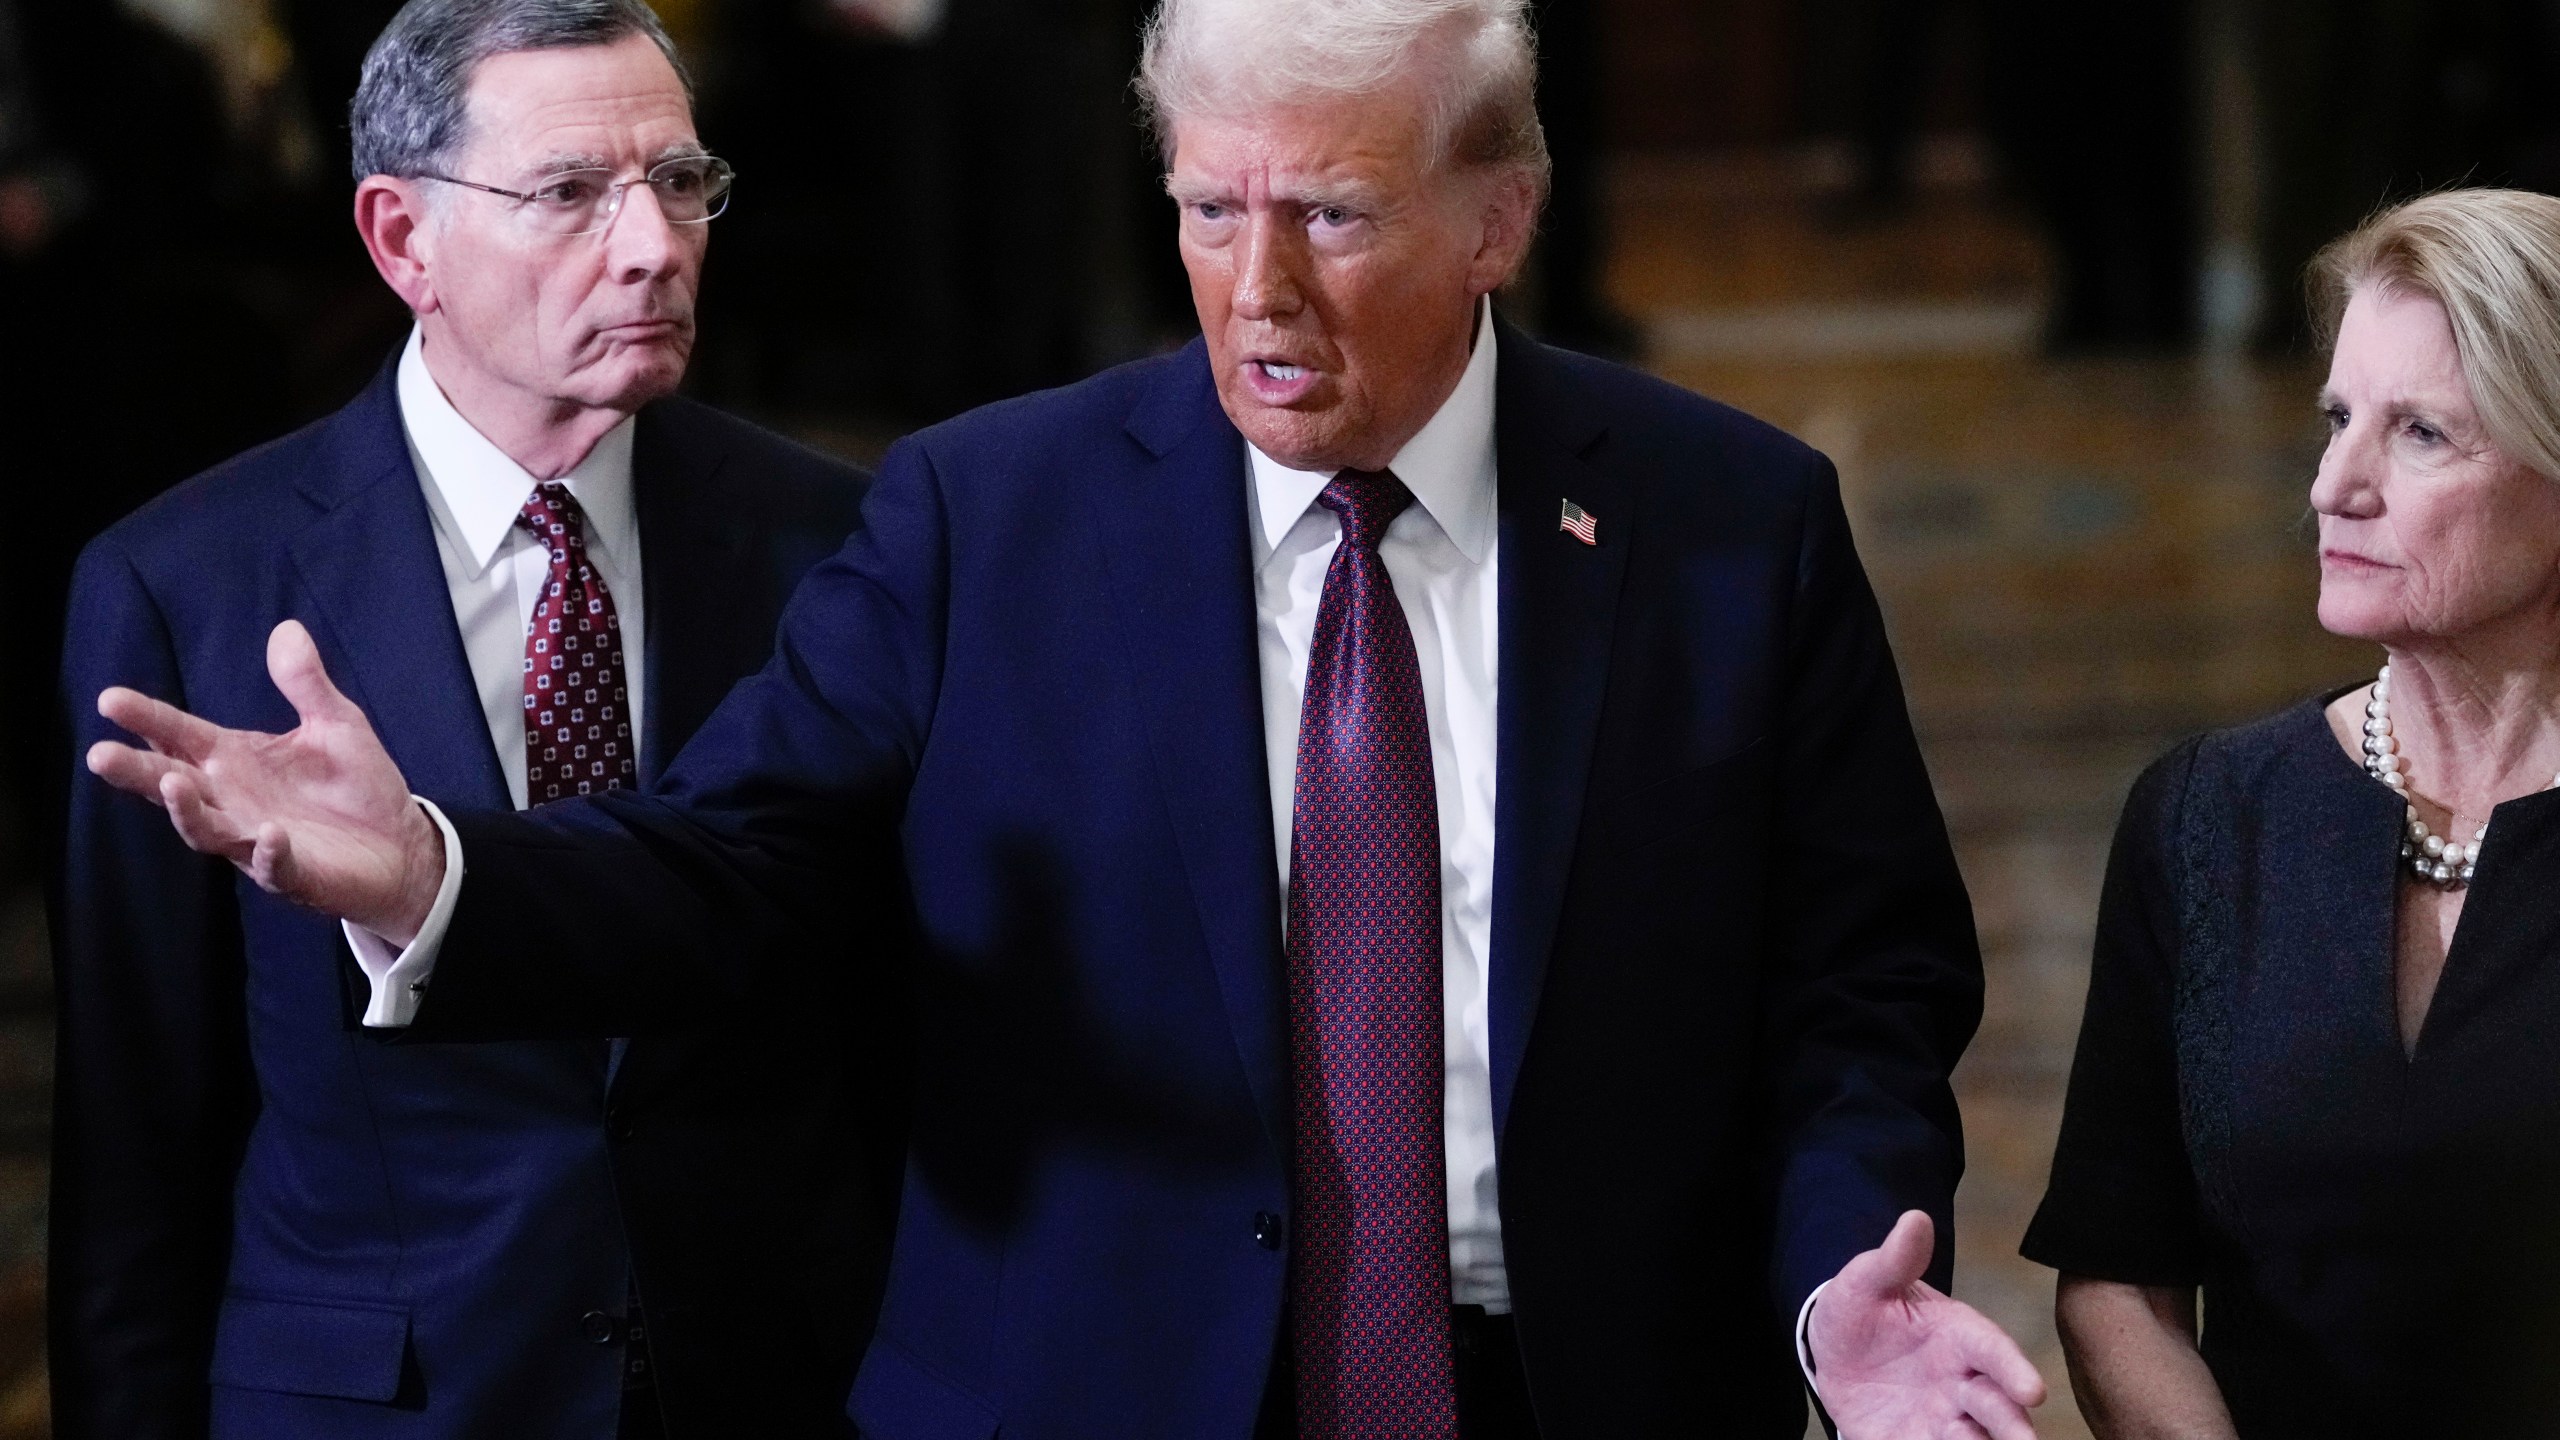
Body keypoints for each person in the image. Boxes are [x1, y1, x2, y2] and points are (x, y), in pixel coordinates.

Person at [83, 0, 2048, 1435]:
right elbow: (730, 867)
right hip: (1093, 1392)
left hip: (1581, 1382)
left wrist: (1832, 1292)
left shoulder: (1729, 521)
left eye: (1334, 218)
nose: (1255, 292)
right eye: (1208, 211)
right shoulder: (978, 514)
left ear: (1499, 212)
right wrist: (433, 870)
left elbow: (1853, 987)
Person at [50, 3, 897, 1436]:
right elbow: (137, 1153)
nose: (653, 246)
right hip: (378, 1401)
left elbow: (894, 1047)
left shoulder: (839, 546)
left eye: (681, 183)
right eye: (570, 195)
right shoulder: (184, 587)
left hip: (772, 1386)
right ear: (401, 241)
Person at [2023, 188, 2560, 1438]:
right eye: (2335, 419)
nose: (2334, 485)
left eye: (2420, 433)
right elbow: (2117, 1280)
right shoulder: (2207, 818)